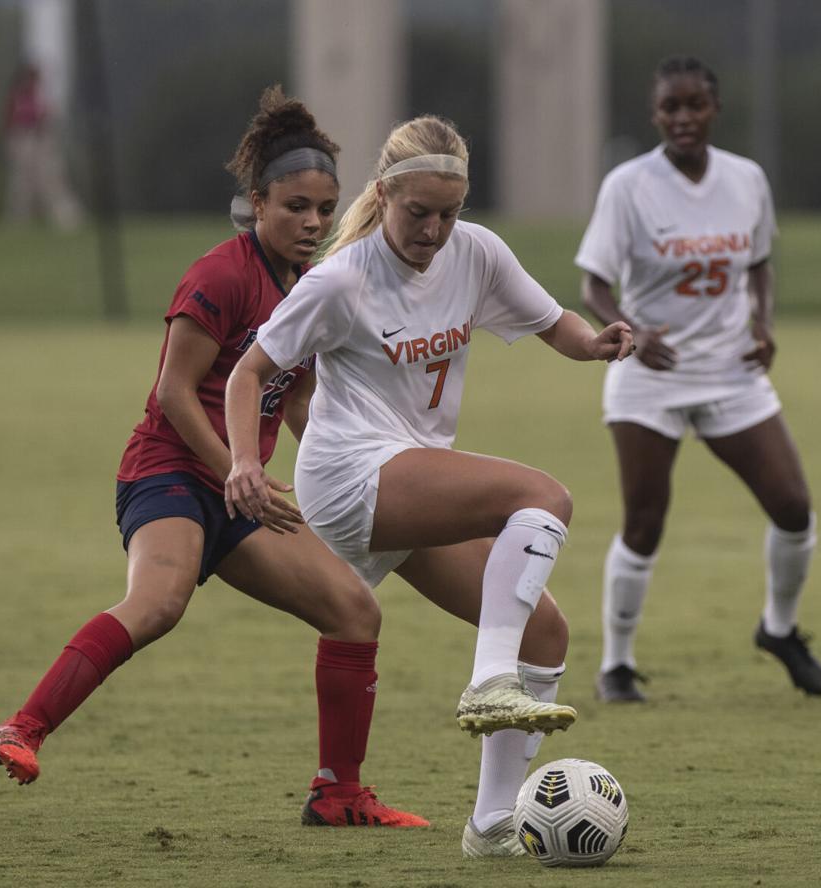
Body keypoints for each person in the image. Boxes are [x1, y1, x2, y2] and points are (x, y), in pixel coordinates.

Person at [0, 86, 427, 829]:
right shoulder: (220, 275)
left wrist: (348, 467)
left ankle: (338, 794)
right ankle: (20, 729)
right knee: (159, 603)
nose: (313, 222)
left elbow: (303, 400)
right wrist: (236, 468)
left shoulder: (319, 289)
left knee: (353, 610)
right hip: (170, 474)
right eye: (294, 208)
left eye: (324, 208)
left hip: (239, 490)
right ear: (256, 203)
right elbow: (174, 393)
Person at [224, 115, 636, 856]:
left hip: (406, 478)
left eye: (449, 213)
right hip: (347, 474)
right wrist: (243, 461)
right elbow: (249, 370)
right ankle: (488, 679)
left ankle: (490, 825)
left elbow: (553, 323)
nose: (435, 230)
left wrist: (596, 343)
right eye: (418, 213)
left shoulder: (475, 253)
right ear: (382, 195)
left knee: (545, 632)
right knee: (542, 496)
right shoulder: (341, 278)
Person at [575, 56, 821, 704]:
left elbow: (759, 263)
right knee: (644, 521)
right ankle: (616, 665)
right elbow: (592, 285)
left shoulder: (745, 178)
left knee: (793, 508)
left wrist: (763, 323)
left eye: (694, 105)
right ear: (655, 113)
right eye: (670, 107)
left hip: (729, 372)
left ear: (714, 108)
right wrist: (632, 329)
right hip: (649, 376)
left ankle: (777, 630)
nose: (682, 118)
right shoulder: (628, 186)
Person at [3, 61, 82, 229]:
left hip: (41, 141)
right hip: (23, 140)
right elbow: (10, 122)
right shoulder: (17, 96)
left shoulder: (40, 95)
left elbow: (47, 118)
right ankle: (20, 220)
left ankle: (64, 218)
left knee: (51, 180)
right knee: (22, 183)